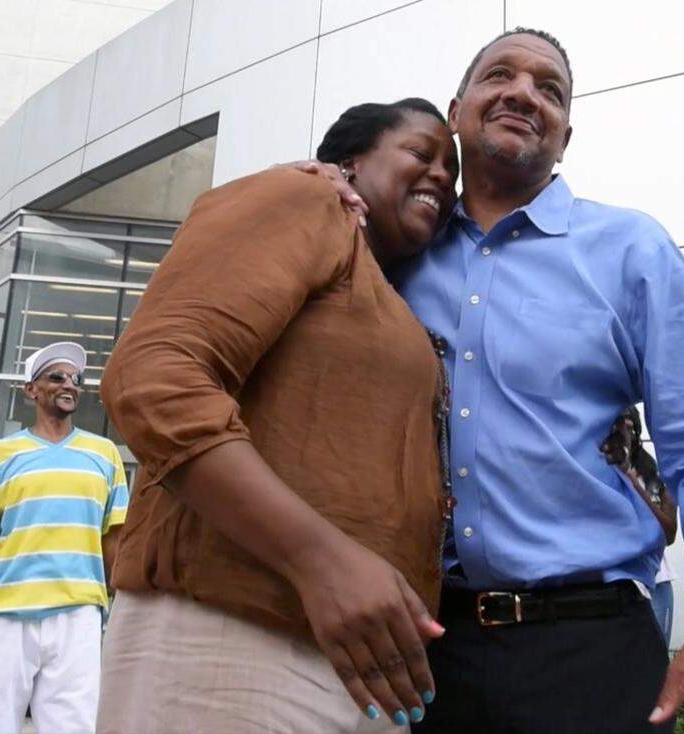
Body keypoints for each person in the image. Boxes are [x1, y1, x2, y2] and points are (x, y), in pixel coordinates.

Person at [294, 28, 684, 734]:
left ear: (565, 136)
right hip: (414, 648)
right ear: (457, 110)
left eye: (549, 90)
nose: (524, 92)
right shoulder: (388, 249)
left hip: (591, 649)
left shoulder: (629, 251)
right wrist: (315, 187)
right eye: (502, 76)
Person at [97, 99, 459, 732]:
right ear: (348, 160)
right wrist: (321, 560)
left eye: (451, 174)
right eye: (421, 154)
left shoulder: (379, 283)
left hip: (350, 660)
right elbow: (156, 377)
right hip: (230, 637)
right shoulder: (304, 200)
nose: (440, 178)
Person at [0, 342, 129, 734]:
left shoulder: (105, 455)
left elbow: (115, 540)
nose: (69, 385)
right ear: (31, 390)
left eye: (76, 379)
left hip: (79, 612)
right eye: (56, 377)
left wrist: (121, 603)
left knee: (72, 727)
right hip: (2, 614)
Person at [603, 406, 678, 646]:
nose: (624, 434)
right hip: (618, 580)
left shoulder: (656, 475)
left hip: (658, 581)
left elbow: (669, 533)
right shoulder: (601, 474)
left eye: (628, 427)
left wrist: (634, 484)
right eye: (617, 428)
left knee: (656, 656)